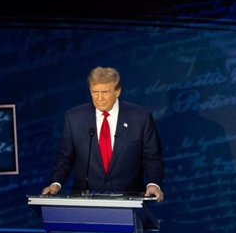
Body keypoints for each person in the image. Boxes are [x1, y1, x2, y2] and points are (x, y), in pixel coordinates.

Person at [42, 66, 164, 201]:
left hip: (129, 201)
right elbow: (65, 157)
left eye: (105, 92)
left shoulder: (140, 118)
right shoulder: (74, 118)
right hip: (85, 203)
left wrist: (153, 183)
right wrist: (56, 183)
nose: (100, 98)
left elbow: (152, 157)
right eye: (95, 92)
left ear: (117, 91)